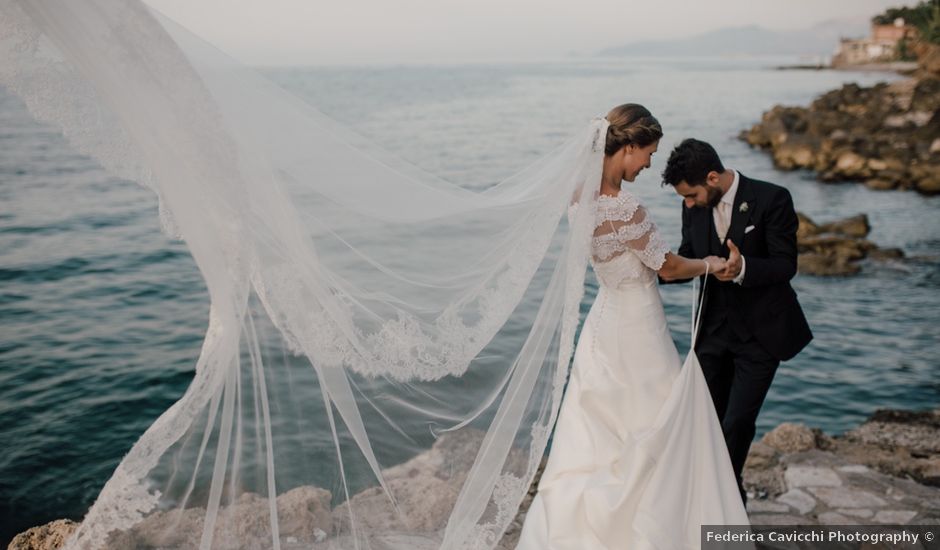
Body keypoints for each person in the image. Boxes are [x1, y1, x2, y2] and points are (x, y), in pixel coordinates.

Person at [516, 105, 750, 550]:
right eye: (647, 153)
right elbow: (667, 267)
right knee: (659, 421)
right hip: (639, 328)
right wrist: (712, 263)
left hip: (604, 323)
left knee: (602, 431)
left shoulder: (577, 198)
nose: (648, 164)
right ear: (626, 147)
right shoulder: (625, 206)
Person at [661, 138, 813, 505]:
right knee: (706, 424)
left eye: (692, 195)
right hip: (711, 334)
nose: (689, 203)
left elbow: (784, 265)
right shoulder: (693, 208)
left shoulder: (773, 198)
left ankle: (725, 505)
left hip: (761, 337)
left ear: (713, 177)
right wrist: (655, 269)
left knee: (736, 425)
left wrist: (742, 267)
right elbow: (688, 257)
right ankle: (723, 501)